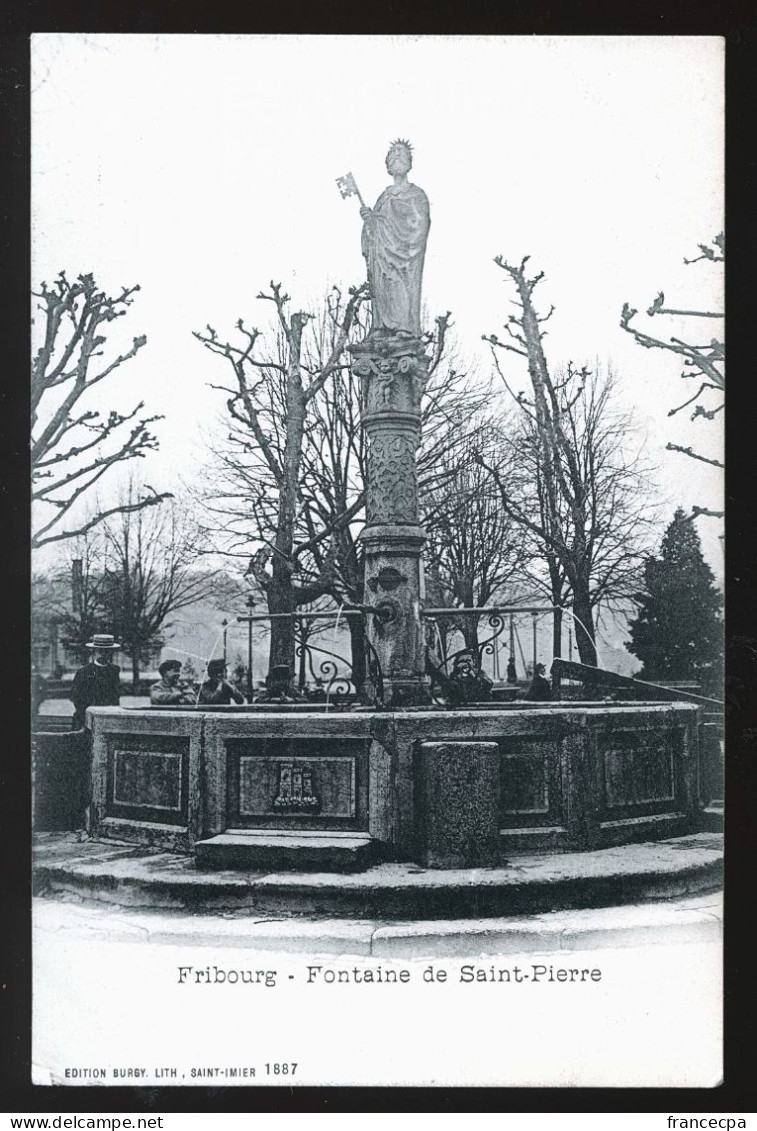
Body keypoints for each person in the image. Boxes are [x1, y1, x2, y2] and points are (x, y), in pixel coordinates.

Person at [360, 139, 430, 337]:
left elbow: (420, 225)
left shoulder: (416, 195)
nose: (397, 157)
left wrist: (396, 234)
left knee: (399, 284)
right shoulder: (383, 197)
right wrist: (369, 221)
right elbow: (373, 230)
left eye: (402, 154)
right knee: (382, 284)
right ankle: (381, 326)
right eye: (393, 154)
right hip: (381, 254)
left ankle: (403, 326)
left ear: (409, 163)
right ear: (387, 164)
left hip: (403, 254)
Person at [70, 633, 122, 729]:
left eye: (107, 651)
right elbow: (75, 696)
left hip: (108, 717)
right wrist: (89, 712)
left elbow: (115, 696)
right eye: (100, 651)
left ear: (111, 653)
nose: (103, 654)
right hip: (85, 719)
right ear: (94, 651)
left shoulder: (114, 671)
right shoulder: (84, 672)